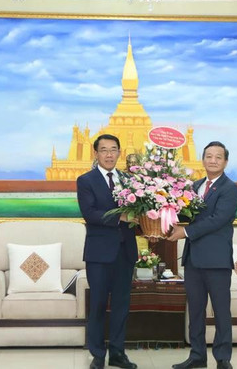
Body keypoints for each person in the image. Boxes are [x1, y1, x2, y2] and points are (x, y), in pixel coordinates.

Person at [168, 141, 237, 369]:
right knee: (196, 310)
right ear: (203, 159)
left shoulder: (230, 188)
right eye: (209, 156)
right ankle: (197, 355)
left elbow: (218, 220)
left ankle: (222, 358)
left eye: (218, 157)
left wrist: (185, 232)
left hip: (217, 260)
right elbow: (183, 213)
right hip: (193, 260)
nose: (213, 160)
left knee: (221, 312)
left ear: (225, 161)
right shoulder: (194, 185)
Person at [76, 134, 138, 369]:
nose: (109, 154)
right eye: (104, 150)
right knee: (99, 304)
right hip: (99, 253)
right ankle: (98, 354)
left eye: (113, 150)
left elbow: (139, 212)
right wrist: (120, 216)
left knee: (121, 305)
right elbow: (89, 214)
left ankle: (118, 353)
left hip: (125, 251)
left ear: (119, 152)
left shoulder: (130, 180)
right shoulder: (86, 180)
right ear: (96, 153)